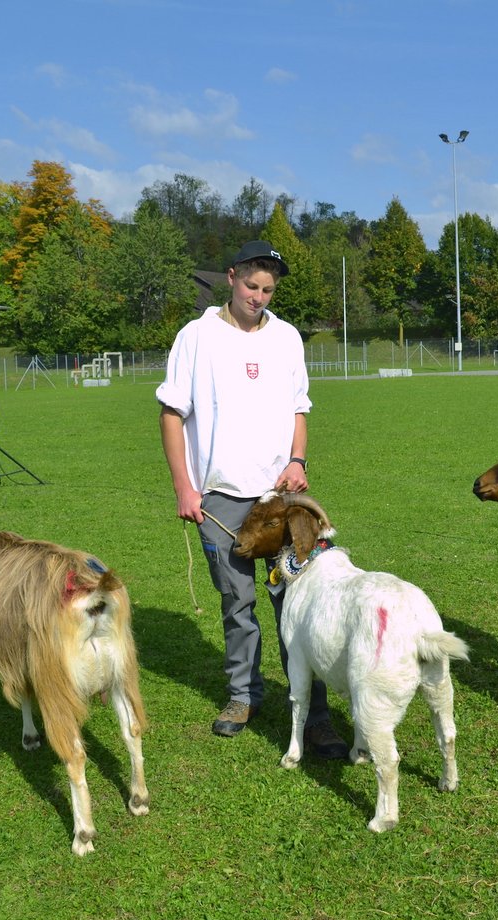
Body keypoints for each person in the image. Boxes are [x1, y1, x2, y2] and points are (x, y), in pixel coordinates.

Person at [157, 240, 347, 758]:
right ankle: (243, 697)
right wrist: (184, 488)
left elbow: (299, 407)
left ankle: (313, 713)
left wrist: (297, 460)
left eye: (268, 289)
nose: (259, 297)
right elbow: (172, 413)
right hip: (219, 498)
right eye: (251, 286)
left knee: (296, 603)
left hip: (279, 498)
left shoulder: (286, 338)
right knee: (237, 604)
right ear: (231, 277)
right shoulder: (196, 336)